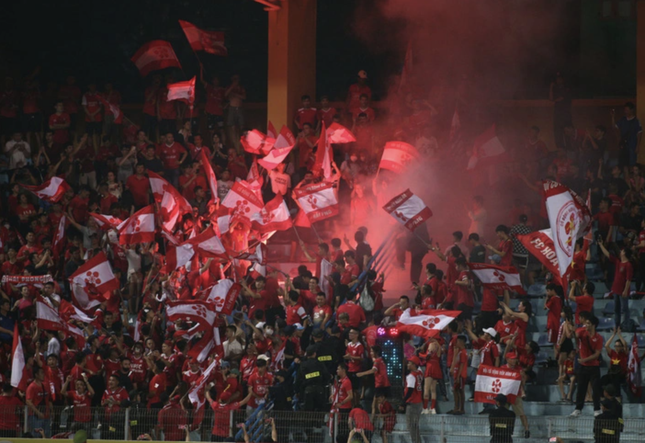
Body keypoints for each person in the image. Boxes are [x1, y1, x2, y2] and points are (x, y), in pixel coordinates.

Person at [571, 316, 603, 417]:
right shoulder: (582, 331)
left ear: (594, 325)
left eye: (588, 323)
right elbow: (574, 335)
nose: (586, 325)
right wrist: (572, 329)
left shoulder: (599, 338)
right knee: (581, 388)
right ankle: (578, 409)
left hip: (594, 366)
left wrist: (584, 359)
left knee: (596, 389)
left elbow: (597, 354)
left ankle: (597, 409)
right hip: (583, 367)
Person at [612, 101, 642, 167]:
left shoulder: (636, 121)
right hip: (623, 145)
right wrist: (613, 117)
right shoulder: (623, 119)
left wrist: (637, 146)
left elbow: (639, 133)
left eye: (627, 110)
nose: (625, 112)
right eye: (625, 110)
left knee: (632, 164)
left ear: (631, 110)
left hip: (632, 145)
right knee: (623, 164)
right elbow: (614, 127)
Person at [401, 356, 423, 443]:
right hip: (418, 403)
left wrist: (403, 402)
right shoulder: (420, 373)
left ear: (414, 365)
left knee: (411, 427)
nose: (408, 364)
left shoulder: (411, 376)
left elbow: (410, 390)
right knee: (415, 426)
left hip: (412, 403)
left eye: (410, 363)